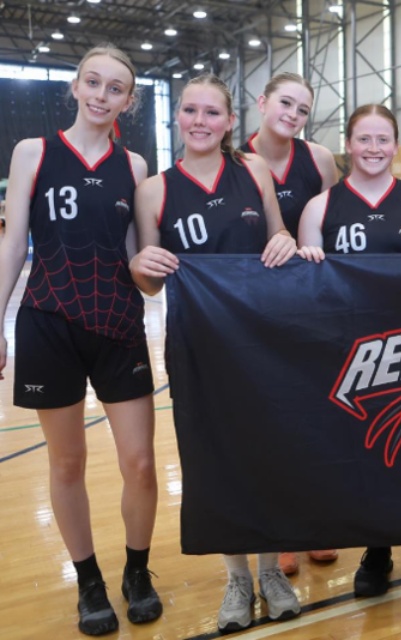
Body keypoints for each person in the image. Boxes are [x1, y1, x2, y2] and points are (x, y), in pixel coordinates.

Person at [128, 73, 301, 633]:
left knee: (270, 455)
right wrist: (140, 267)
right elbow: (149, 280)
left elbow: (280, 237)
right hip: (198, 342)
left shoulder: (253, 170)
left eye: (211, 112)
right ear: (177, 116)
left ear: (229, 122)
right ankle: (237, 578)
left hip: (263, 338)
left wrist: (285, 240)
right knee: (215, 461)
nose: (199, 121)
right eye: (190, 110)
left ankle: (271, 571)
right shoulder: (154, 190)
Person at [0, 44, 162, 636]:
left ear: (128, 100)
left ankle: (137, 571)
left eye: (115, 88)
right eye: (92, 82)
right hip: (47, 321)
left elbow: (137, 259)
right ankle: (88, 581)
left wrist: (156, 269)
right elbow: (13, 243)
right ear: (74, 86)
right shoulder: (33, 152)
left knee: (140, 463)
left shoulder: (135, 166)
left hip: (118, 322)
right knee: (67, 461)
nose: (101, 95)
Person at [298, 104, 401, 599]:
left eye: (383, 139)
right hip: (353, 354)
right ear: (348, 144)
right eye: (364, 139)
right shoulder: (320, 207)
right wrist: (307, 260)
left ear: (396, 144)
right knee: (368, 452)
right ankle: (377, 548)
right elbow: (305, 294)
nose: (373, 148)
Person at [239, 71, 339, 577]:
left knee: (316, 417)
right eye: (285, 103)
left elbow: (338, 220)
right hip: (254, 308)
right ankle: (280, 529)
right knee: (267, 421)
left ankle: (317, 521)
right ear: (262, 102)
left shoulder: (318, 159)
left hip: (311, 306)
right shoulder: (235, 160)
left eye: (302, 109)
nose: (293, 115)